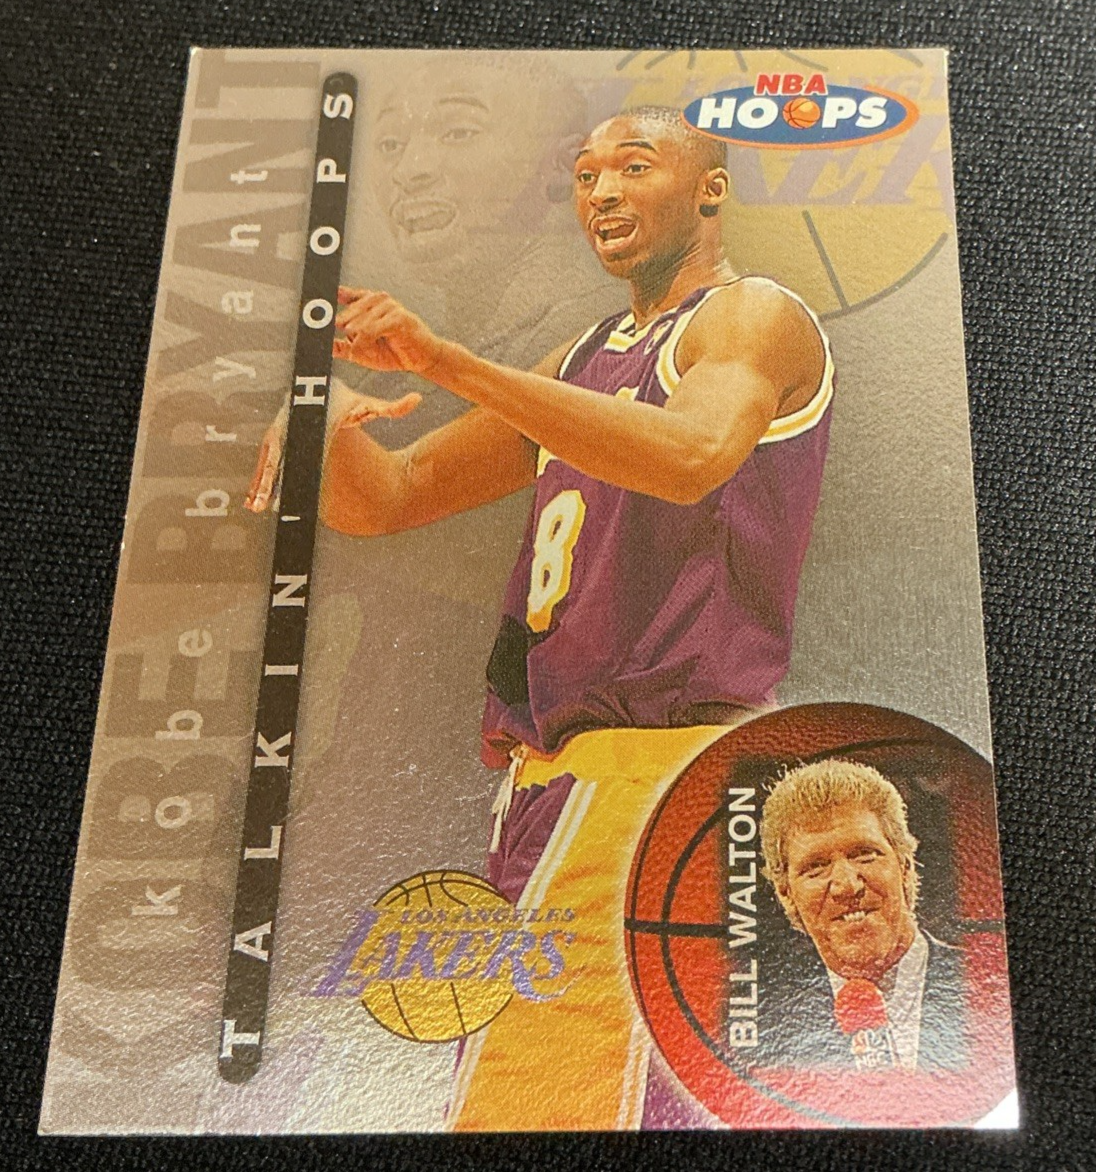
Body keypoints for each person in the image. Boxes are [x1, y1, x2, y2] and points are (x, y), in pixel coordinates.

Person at [248, 104, 834, 1129]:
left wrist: (444, 361)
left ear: (710, 188)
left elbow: (690, 457)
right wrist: (321, 421)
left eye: (634, 166)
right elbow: (387, 497)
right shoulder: (586, 356)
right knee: (548, 1102)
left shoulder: (751, 316)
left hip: (654, 765)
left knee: (548, 1109)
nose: (602, 191)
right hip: (549, 779)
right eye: (585, 173)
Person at [757, 759, 967, 1072]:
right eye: (816, 866)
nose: (847, 886)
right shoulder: (766, 1028)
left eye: (864, 854)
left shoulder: (980, 979)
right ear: (785, 891)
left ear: (905, 865)